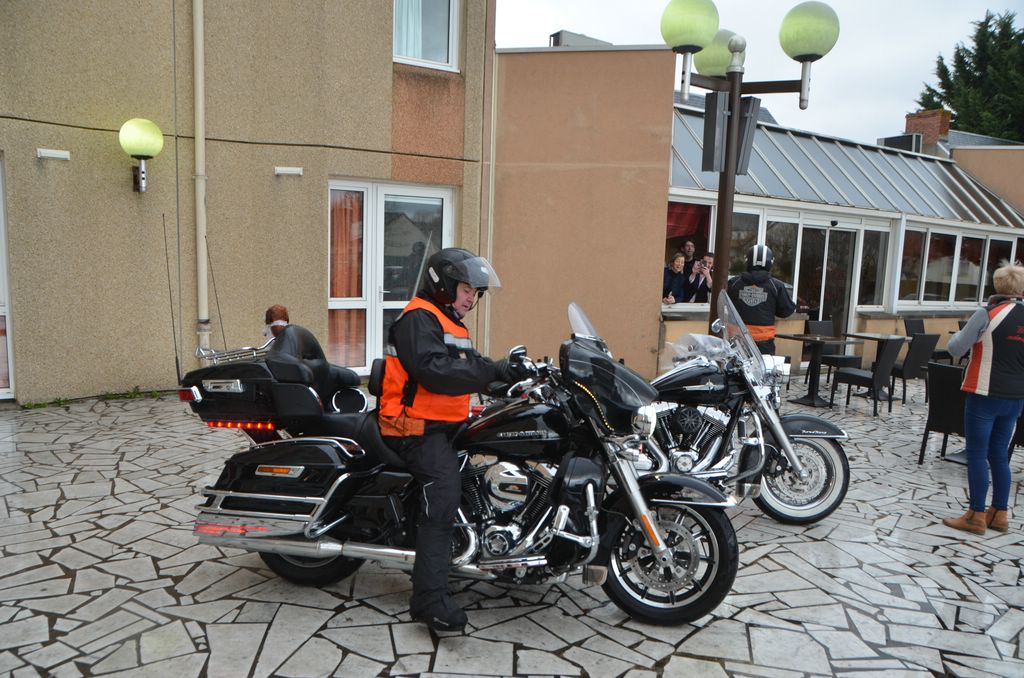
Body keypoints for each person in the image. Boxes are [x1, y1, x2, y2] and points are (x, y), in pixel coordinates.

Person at [378, 247, 525, 632]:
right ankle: (429, 600)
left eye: (476, 293)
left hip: (442, 423)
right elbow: (434, 370)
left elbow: (469, 367)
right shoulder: (418, 318)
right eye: (465, 289)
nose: (471, 298)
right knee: (443, 492)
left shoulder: (450, 323)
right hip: (412, 425)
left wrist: (513, 380)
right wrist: (492, 371)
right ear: (442, 285)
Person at [941, 263, 1024, 535]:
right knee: (999, 454)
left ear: (998, 285)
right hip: (1016, 397)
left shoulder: (987, 313)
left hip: (984, 392)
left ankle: (975, 514)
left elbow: (956, 348)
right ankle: (999, 513)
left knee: (977, 453)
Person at [727, 245, 796, 354]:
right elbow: (786, 311)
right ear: (770, 263)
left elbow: (725, 305)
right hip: (764, 341)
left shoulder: (734, 283)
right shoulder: (776, 285)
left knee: (736, 365)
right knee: (764, 365)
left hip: (738, 339)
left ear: (748, 261)